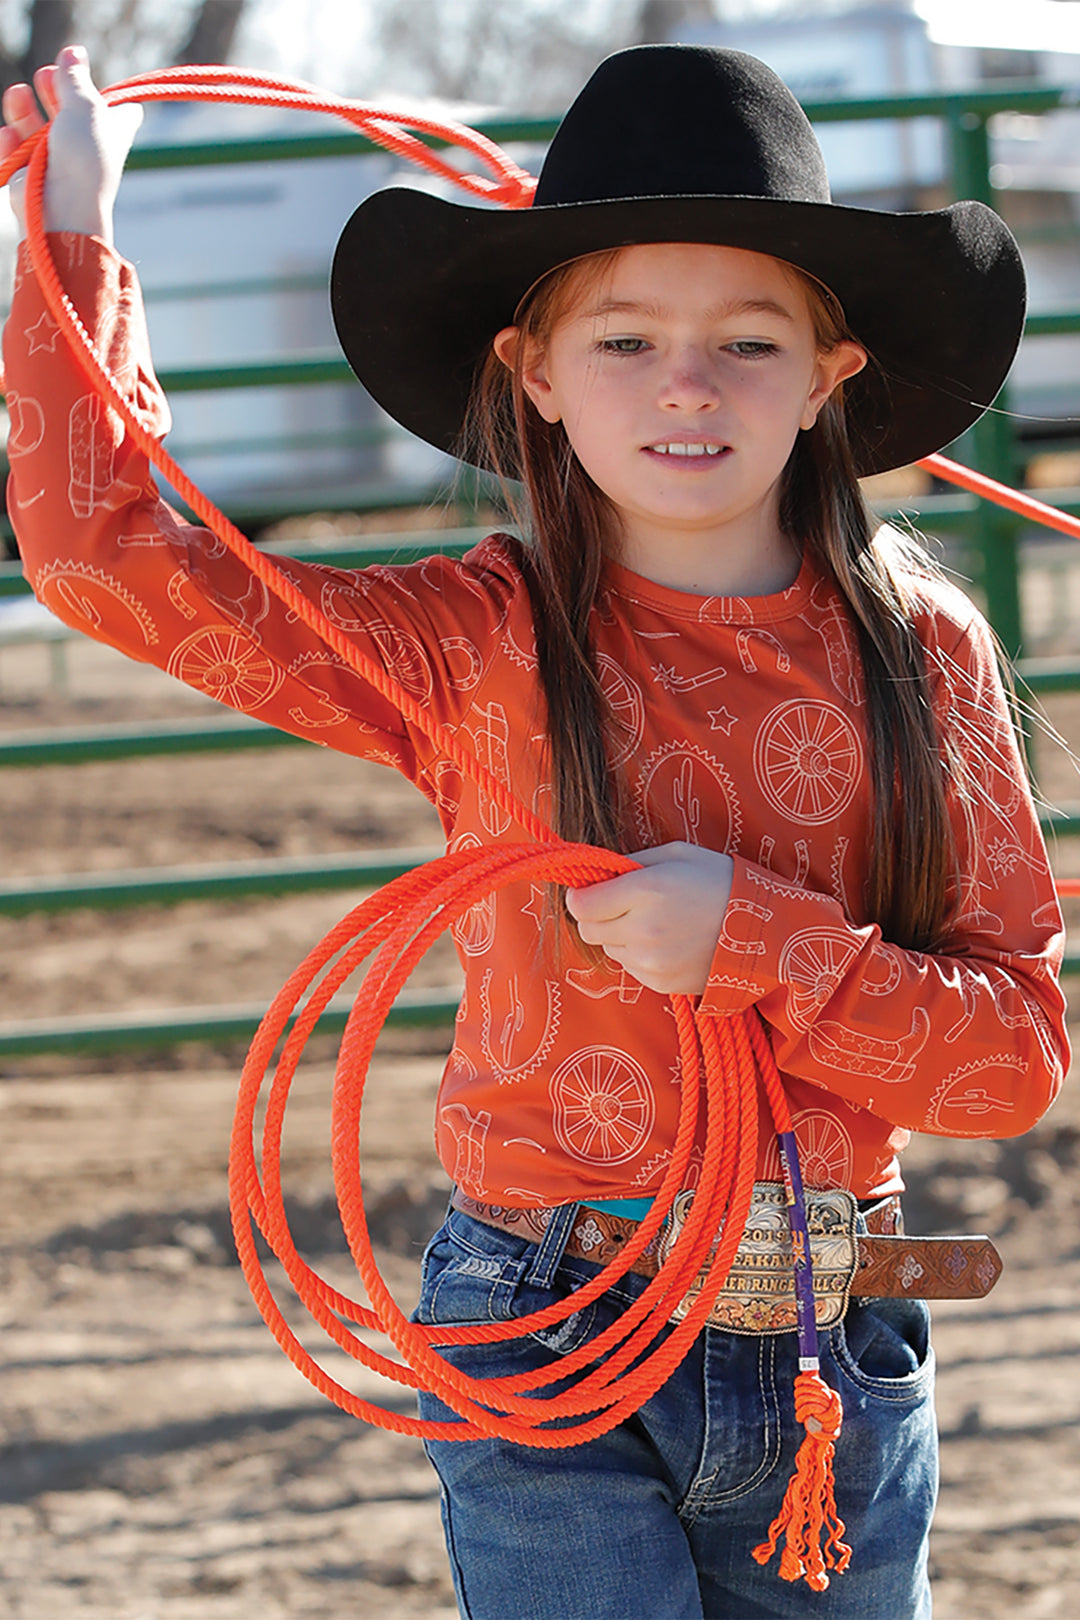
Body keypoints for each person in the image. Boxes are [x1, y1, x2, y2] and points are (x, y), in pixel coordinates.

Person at [1, 41, 1068, 1620]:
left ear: (832, 375)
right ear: (539, 375)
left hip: (829, 1298)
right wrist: (70, 228)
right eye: (625, 338)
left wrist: (755, 942)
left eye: (749, 341)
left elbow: (1012, 1059)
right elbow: (110, 565)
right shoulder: (476, 639)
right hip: (539, 1307)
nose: (687, 383)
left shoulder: (926, 655)